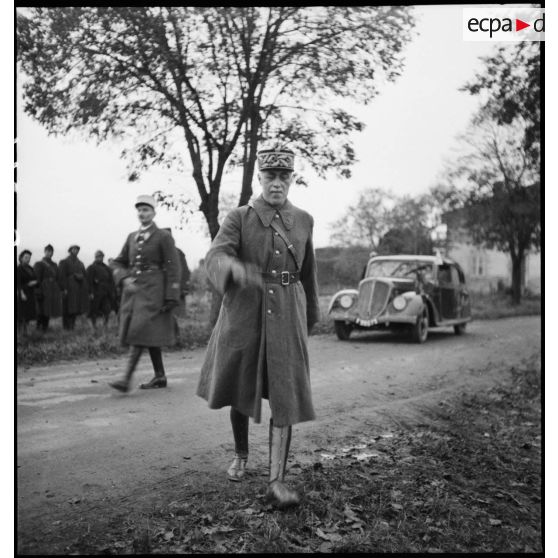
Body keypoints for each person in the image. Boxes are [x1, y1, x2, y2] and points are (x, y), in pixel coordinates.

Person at [197, 144, 320, 508]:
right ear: (260, 178)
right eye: (270, 176)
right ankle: (241, 453)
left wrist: (310, 316)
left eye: (284, 176)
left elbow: (308, 273)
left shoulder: (305, 220)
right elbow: (215, 257)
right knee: (241, 384)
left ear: (292, 179)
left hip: (287, 312)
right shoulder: (239, 217)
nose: (276, 183)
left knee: (285, 393)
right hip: (245, 312)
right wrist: (235, 269)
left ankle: (276, 481)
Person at [109, 195, 181, 392]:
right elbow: (117, 262)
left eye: (146, 210)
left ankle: (125, 379)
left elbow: (173, 266)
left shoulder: (163, 236)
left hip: (155, 291)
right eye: (139, 210)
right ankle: (160, 376)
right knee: (147, 332)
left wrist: (171, 295)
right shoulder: (132, 237)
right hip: (135, 293)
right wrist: (123, 278)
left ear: (154, 213)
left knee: (140, 329)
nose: (142, 213)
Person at [58, 245, 89, 330]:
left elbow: (85, 275)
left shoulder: (80, 263)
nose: (75, 251)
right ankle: (66, 327)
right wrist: (64, 288)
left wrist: (80, 277)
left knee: (75, 307)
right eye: (74, 249)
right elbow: (61, 276)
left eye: (77, 249)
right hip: (68, 288)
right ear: (70, 250)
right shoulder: (64, 262)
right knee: (67, 308)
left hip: (78, 288)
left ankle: (72, 326)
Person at [33, 244, 63, 332]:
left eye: (51, 251)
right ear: (45, 252)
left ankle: (45, 328)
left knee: (49, 309)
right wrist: (38, 290)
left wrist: (60, 289)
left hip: (52, 290)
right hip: (43, 289)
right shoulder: (39, 264)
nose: (49, 253)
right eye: (48, 251)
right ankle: (38, 327)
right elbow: (37, 278)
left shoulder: (54, 265)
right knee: (41, 309)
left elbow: (58, 278)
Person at [87, 250, 116, 330]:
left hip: (106, 292)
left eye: (101, 257)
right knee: (94, 309)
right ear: (95, 257)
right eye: (98, 257)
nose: (100, 258)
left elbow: (111, 281)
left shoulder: (107, 268)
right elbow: (89, 281)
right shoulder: (91, 267)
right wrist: (90, 292)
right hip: (96, 291)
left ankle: (105, 324)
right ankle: (94, 325)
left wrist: (112, 291)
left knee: (107, 309)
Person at [17, 250, 38, 335]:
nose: (28, 259)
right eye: (26, 257)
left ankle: (26, 332)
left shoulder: (31, 268)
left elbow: (35, 279)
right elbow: (18, 283)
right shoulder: (18, 269)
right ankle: (19, 333)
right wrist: (21, 293)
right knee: (21, 314)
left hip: (30, 293)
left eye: (29, 258)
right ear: (21, 258)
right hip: (22, 293)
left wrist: (35, 283)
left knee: (28, 313)